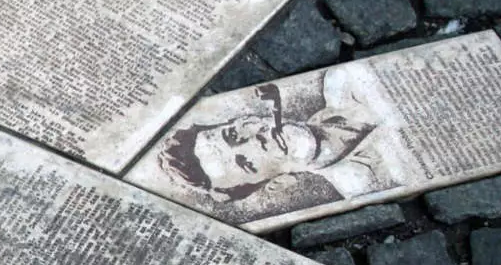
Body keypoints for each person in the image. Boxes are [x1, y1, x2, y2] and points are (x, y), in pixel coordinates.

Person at [156, 66, 397, 219]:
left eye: (234, 135)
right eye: (248, 164)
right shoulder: (368, 184)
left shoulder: (344, 80)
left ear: (245, 118)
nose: (257, 142)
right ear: (279, 183)